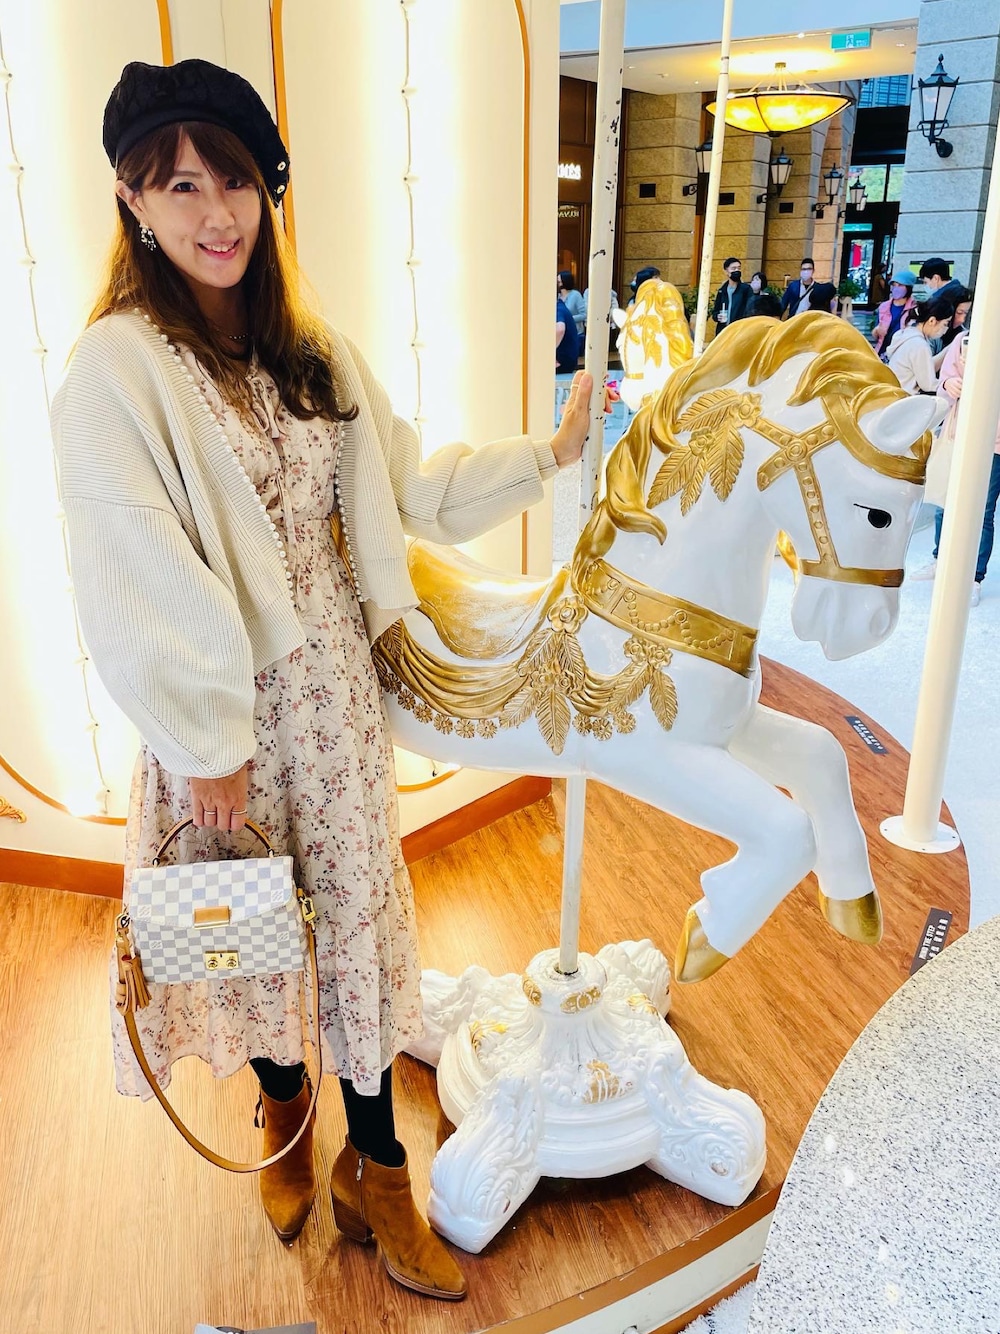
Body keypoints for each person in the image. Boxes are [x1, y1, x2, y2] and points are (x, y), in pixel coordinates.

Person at [52, 58, 591, 1301]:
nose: (215, 213)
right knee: (252, 928)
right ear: (133, 201)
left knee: (354, 936)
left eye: (235, 180)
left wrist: (548, 454)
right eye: (179, 185)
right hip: (228, 727)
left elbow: (408, 488)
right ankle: (286, 1117)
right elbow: (128, 558)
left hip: (336, 708)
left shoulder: (313, 350)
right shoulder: (118, 367)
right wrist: (207, 740)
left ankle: (379, 1171)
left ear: (268, 189)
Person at [912, 332, 1000, 605]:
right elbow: (943, 385)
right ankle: (941, 560)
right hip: (959, 435)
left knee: (982, 511)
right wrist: (949, 383)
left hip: (994, 444)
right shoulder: (966, 339)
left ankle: (973, 577)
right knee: (945, 501)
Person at [884, 296, 954, 394]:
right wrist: (946, 384)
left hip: (893, 393)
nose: (945, 330)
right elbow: (928, 385)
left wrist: (949, 349)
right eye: (945, 324)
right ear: (932, 321)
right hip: (904, 397)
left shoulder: (906, 334)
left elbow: (925, 367)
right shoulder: (919, 345)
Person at [871, 270, 917, 357]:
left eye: (900, 285)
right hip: (883, 353)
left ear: (908, 288)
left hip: (903, 355)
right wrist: (877, 331)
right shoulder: (884, 306)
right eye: (894, 285)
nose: (896, 288)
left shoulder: (915, 308)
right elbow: (875, 334)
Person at [710, 257, 751, 336]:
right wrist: (717, 316)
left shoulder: (746, 289)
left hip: (739, 331)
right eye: (733, 268)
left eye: (739, 268)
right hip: (723, 331)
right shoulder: (722, 291)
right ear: (726, 271)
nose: (737, 270)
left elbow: (750, 310)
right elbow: (715, 311)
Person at [557, 270, 586, 337]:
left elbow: (584, 315)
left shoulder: (576, 295)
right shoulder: (557, 296)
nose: (557, 284)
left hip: (575, 333)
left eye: (559, 282)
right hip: (560, 334)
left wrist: (569, 319)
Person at [556, 294, 581, 371]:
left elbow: (560, 329)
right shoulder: (561, 306)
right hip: (568, 358)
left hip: (561, 360)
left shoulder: (557, 309)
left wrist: (548, 354)